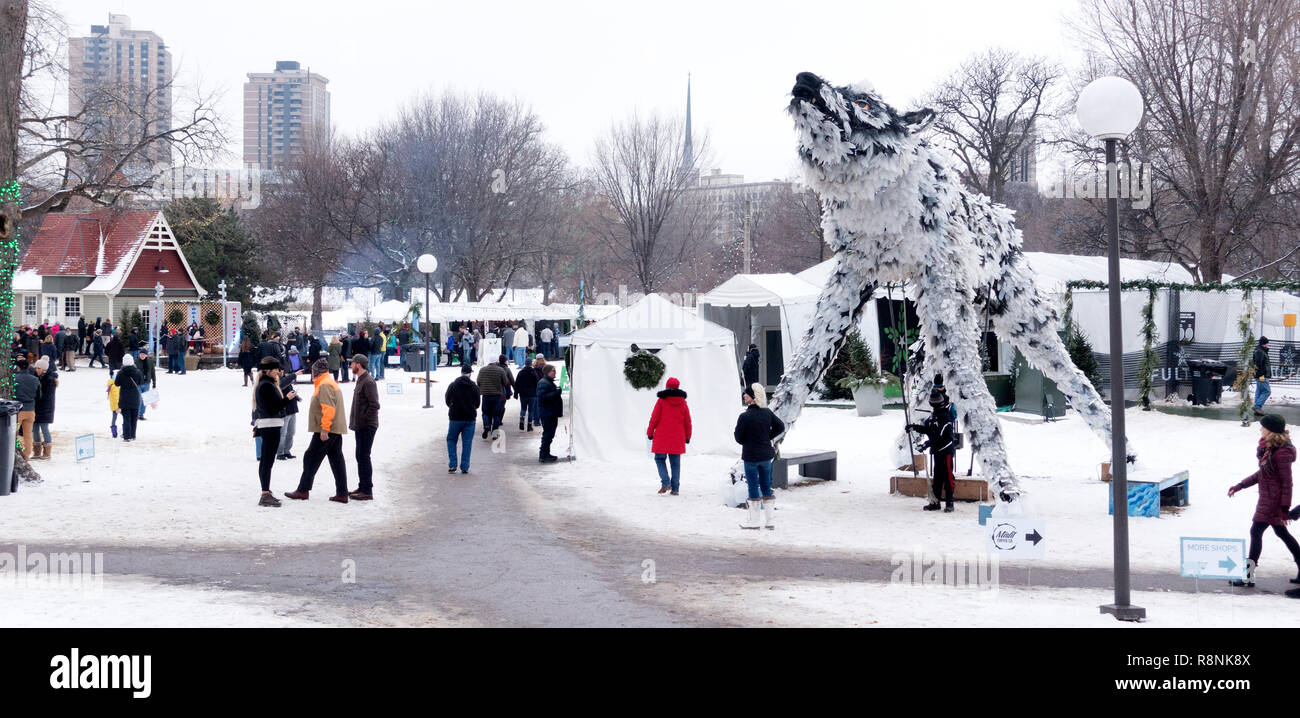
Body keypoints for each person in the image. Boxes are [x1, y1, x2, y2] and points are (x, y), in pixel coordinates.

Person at [1227, 414, 1299, 587]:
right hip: (1268, 499)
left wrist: (1284, 508)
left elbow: (1287, 483)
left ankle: (1248, 576)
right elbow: (1262, 475)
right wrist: (1240, 486)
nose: (1260, 429)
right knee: (1282, 534)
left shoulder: (1281, 453)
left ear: (1271, 430)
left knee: (1256, 532)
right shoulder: (1270, 449)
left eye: (1263, 427)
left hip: (1273, 502)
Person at [284, 360, 350, 503]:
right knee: (336, 460)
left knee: (311, 458)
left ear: (315, 371)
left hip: (327, 429)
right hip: (334, 428)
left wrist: (325, 429)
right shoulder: (327, 382)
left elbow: (328, 408)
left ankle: (303, 490)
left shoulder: (324, 384)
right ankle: (342, 493)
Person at [734, 383, 785, 529]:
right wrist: (767, 437)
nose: (744, 395)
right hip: (766, 456)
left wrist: (748, 440)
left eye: (747, 394)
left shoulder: (744, 417)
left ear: (753, 397)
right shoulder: (767, 413)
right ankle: (770, 521)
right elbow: (780, 426)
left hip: (751, 456)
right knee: (766, 486)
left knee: (753, 487)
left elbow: (738, 438)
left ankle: (754, 521)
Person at [252, 357, 296, 507]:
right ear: (269, 370)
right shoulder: (267, 386)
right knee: (267, 461)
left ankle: (266, 492)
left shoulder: (266, 384)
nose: (279, 372)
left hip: (270, 425)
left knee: (267, 460)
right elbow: (272, 407)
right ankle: (265, 494)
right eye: (276, 369)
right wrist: (287, 399)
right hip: (270, 425)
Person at [908, 387, 958, 512]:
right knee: (937, 477)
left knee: (948, 476)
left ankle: (949, 503)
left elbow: (938, 436)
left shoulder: (945, 417)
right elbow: (928, 429)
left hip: (946, 451)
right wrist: (913, 427)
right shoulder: (934, 415)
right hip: (937, 451)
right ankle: (935, 502)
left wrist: (925, 445)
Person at [647, 377, 692, 495]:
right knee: (675, 464)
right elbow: (687, 421)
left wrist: (650, 432)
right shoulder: (683, 402)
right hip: (677, 438)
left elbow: (654, 419)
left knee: (659, 459)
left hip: (661, 437)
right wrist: (688, 436)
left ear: (667, 386)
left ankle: (666, 483)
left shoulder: (661, 401)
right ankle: (675, 489)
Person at [348, 354, 380, 500]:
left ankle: (367, 490)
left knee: (364, 456)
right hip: (361, 425)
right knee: (360, 456)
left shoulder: (368, 381)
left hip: (367, 426)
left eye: (352, 363)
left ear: (358, 365)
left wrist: (364, 419)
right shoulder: (361, 380)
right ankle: (362, 486)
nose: (351, 365)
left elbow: (374, 405)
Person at [445, 363, 481, 474]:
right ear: (470, 374)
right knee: (467, 442)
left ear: (461, 373)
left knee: (451, 440)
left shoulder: (453, 385)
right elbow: (478, 403)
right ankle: (464, 466)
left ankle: (452, 464)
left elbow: (447, 399)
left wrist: (452, 406)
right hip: (469, 419)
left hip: (455, 418)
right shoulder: (474, 387)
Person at [476, 355, 510, 439]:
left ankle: (486, 425)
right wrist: (507, 393)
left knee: (485, 412)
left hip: (486, 395)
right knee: (497, 415)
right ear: (496, 361)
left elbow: (478, 381)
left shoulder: (482, 370)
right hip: (497, 396)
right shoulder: (500, 370)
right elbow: (506, 382)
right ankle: (494, 433)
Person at [14, 357, 40, 461]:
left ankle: (15, 452)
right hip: (30, 409)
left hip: (17, 410)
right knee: (28, 434)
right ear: (28, 367)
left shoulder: (14, 378)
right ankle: (27, 455)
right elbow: (39, 395)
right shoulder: (35, 379)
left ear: (18, 367)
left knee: (14, 434)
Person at [276, 360, 302, 461]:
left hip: (292, 410)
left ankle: (287, 450)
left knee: (291, 432)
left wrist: (296, 397)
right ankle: (280, 452)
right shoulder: (276, 382)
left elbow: (290, 390)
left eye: (282, 370)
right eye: (279, 370)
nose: (281, 372)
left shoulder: (286, 380)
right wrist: (294, 375)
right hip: (284, 411)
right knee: (283, 433)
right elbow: (282, 385)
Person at [115, 354, 144, 443]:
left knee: (126, 418)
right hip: (135, 398)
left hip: (124, 398)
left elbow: (117, 384)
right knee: (134, 418)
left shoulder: (120, 373)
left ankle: (127, 436)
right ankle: (133, 435)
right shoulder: (138, 372)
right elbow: (141, 382)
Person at [537, 364, 563, 463]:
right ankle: (543, 455)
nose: (555, 372)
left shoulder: (547, 382)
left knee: (549, 434)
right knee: (548, 434)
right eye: (553, 371)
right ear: (547, 372)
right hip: (547, 413)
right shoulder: (543, 383)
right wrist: (556, 393)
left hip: (550, 412)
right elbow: (543, 397)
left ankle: (546, 453)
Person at [33, 356, 58, 460]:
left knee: (44, 428)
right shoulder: (36, 377)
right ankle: (37, 452)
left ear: (44, 369)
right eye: (36, 368)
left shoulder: (50, 379)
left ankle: (47, 452)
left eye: (39, 368)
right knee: (34, 429)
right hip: (36, 407)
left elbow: (46, 396)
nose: (37, 370)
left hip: (45, 408)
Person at [515, 356, 539, 431]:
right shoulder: (533, 372)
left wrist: (516, 393)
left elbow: (517, 383)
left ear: (525, 364)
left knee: (523, 408)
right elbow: (537, 382)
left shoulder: (521, 372)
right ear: (531, 364)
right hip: (532, 394)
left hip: (523, 394)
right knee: (531, 410)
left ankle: (522, 420)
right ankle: (529, 425)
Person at [1252, 336, 1272, 418]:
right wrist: (1261, 375)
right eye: (1267, 343)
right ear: (1264, 343)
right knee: (1267, 391)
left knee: (1259, 391)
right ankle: (1257, 406)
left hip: (1260, 375)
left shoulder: (1260, 350)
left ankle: (1257, 409)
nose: (1268, 344)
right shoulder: (1260, 352)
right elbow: (1259, 365)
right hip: (1262, 375)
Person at [135, 348, 156, 421]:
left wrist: (154, 383)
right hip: (138, 383)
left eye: (143, 354)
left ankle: (141, 414)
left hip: (147, 383)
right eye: (141, 354)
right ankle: (137, 414)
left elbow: (153, 373)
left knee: (145, 400)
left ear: (146, 355)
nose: (142, 356)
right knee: (139, 399)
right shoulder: (136, 361)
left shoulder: (150, 362)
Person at [107, 372, 121, 438]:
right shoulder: (115, 386)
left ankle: (114, 432)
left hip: (113, 405)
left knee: (114, 418)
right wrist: (118, 406)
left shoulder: (110, 384)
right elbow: (116, 397)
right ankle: (124, 431)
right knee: (125, 417)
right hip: (117, 406)